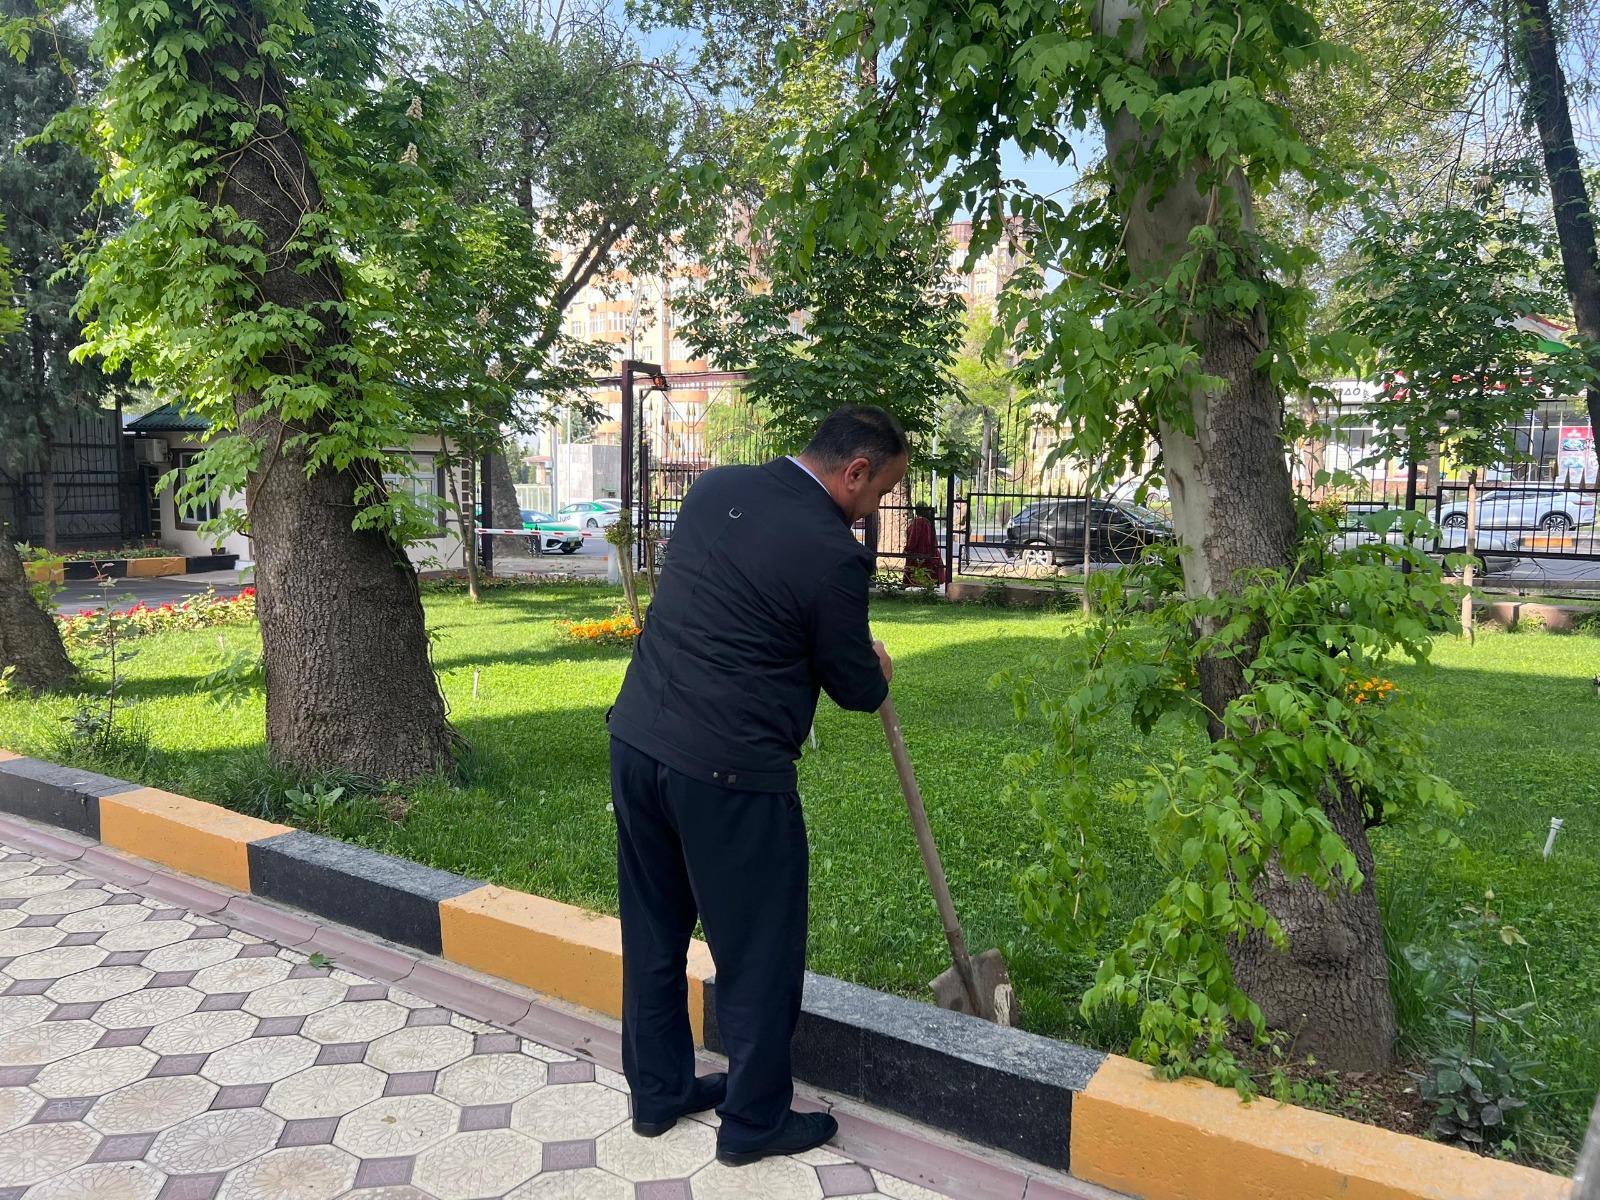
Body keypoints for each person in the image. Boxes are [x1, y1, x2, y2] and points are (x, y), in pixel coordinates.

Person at [606, 405, 907, 1166]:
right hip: (730, 773)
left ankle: (659, 1093)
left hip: (637, 741)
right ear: (855, 472)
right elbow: (854, 687)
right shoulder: (834, 555)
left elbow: (732, 604)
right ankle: (754, 1121)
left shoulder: (717, 488)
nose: (874, 511)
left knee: (653, 932)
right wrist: (874, 666)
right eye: (880, 493)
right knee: (759, 951)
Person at [903, 502, 944, 587]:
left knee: (915, 577)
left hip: (919, 554)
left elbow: (913, 539)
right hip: (928, 553)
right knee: (927, 578)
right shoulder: (927, 521)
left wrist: (907, 549)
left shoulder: (919, 522)